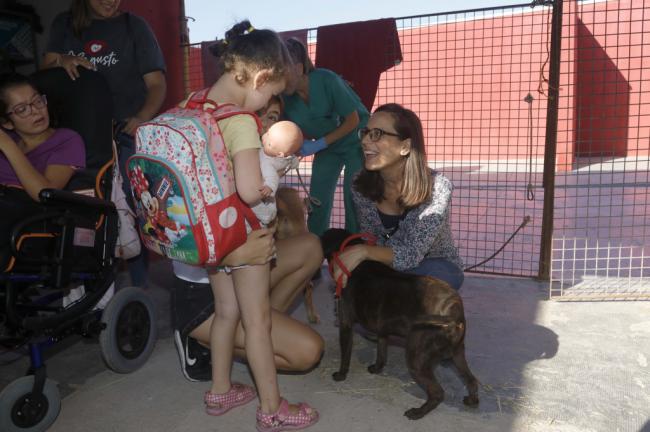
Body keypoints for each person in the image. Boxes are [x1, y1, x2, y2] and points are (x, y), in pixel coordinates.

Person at [173, 21, 319, 431]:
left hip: (208, 238)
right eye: (271, 94)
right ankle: (272, 409)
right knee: (257, 322)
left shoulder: (191, 103)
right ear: (260, 77)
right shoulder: (240, 121)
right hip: (242, 232)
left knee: (226, 313)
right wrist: (272, 179)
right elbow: (249, 190)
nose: (266, 103)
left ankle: (220, 391)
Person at [42, 0, 167, 288]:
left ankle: (139, 286)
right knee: (82, 209)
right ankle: (88, 286)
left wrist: (141, 118)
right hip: (77, 136)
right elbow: (45, 69)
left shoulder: (134, 26)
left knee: (136, 209)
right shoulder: (64, 23)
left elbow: (157, 83)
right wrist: (62, 59)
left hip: (124, 132)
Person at [330, 103, 465, 291]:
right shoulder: (359, 185)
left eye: (376, 134)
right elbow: (371, 237)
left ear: (405, 146)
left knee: (425, 282)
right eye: (366, 132)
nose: (365, 142)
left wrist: (363, 252)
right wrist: (365, 254)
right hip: (386, 262)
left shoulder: (438, 187)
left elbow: (411, 254)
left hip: (433, 264)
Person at [283, 37, 369, 236]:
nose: (278, 79)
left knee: (353, 196)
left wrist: (318, 143)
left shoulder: (326, 79)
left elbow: (353, 120)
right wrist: (296, 147)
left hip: (355, 141)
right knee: (317, 197)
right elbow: (288, 128)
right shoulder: (285, 98)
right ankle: (314, 248)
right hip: (327, 148)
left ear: (297, 68)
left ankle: (354, 246)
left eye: (281, 72)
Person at [0, 73, 85, 262]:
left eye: (37, 101)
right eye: (22, 109)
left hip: (33, 221)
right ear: (7, 122)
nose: (36, 111)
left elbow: (45, 193)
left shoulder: (66, 140)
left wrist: (7, 145)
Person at [254, 119, 302, 225]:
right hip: (261, 178)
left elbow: (272, 177)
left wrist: (269, 186)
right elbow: (292, 158)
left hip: (265, 186)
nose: (264, 138)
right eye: (267, 133)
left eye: (269, 143)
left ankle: (266, 215)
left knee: (261, 204)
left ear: (280, 154)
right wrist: (295, 162)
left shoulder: (268, 161)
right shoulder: (285, 155)